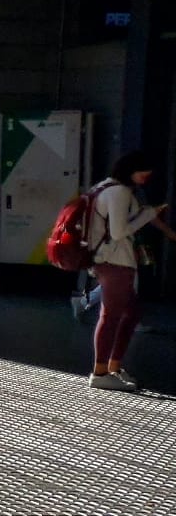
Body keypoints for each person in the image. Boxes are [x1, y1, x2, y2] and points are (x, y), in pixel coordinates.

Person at [86, 151, 176, 390]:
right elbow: (118, 232)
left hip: (107, 260)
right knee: (112, 316)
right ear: (130, 170)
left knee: (130, 313)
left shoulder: (104, 187)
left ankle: (112, 367)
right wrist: (148, 215)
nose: (146, 176)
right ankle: (101, 371)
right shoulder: (119, 192)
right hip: (115, 261)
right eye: (143, 172)